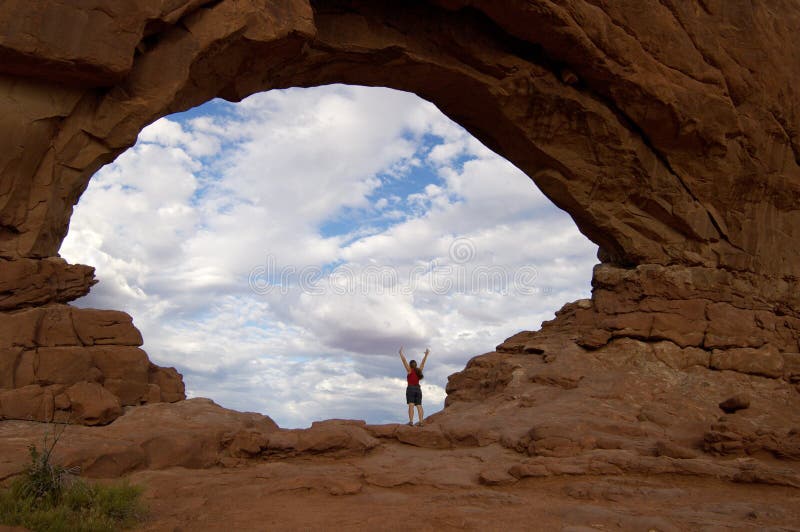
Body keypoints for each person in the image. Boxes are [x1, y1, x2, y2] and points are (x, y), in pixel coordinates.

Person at [399, 346, 429, 426]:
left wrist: (400, 353)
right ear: (415, 365)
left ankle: (411, 422)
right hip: (418, 389)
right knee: (419, 405)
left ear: (410, 365)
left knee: (411, 405)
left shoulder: (409, 370)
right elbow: (423, 363)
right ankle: (421, 422)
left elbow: (404, 361)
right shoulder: (419, 370)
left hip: (411, 388)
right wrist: (426, 355)